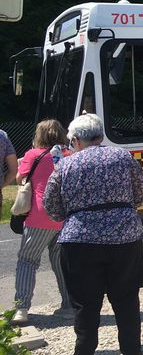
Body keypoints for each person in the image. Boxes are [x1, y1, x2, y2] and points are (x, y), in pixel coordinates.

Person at [44, 113, 143, 355]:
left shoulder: (66, 166)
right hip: (124, 237)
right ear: (101, 136)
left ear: (76, 140)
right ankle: (132, 354)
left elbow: (52, 206)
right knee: (126, 297)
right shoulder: (123, 157)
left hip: (80, 240)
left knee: (85, 302)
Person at [11, 120, 71, 325]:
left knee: (28, 260)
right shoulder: (69, 154)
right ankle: (69, 305)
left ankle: (22, 308)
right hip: (65, 217)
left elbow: (20, 179)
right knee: (61, 262)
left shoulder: (32, 155)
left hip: (39, 215)